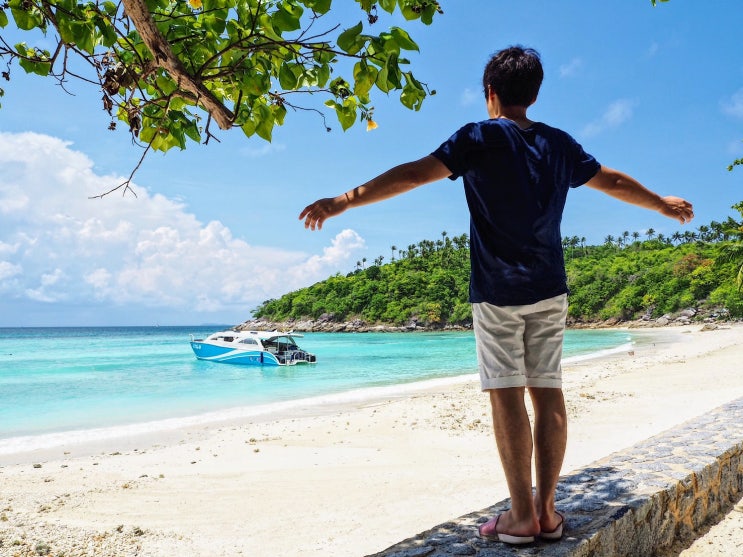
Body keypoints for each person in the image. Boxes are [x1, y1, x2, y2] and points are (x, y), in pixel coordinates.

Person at [298, 46, 693, 545]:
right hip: (549, 288)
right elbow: (610, 180)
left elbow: (413, 174)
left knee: (506, 393)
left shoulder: (477, 137)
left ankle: (521, 516)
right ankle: (548, 513)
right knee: (546, 391)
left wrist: (342, 202)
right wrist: (660, 203)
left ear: (490, 94)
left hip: (496, 293)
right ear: (534, 93)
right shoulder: (559, 143)